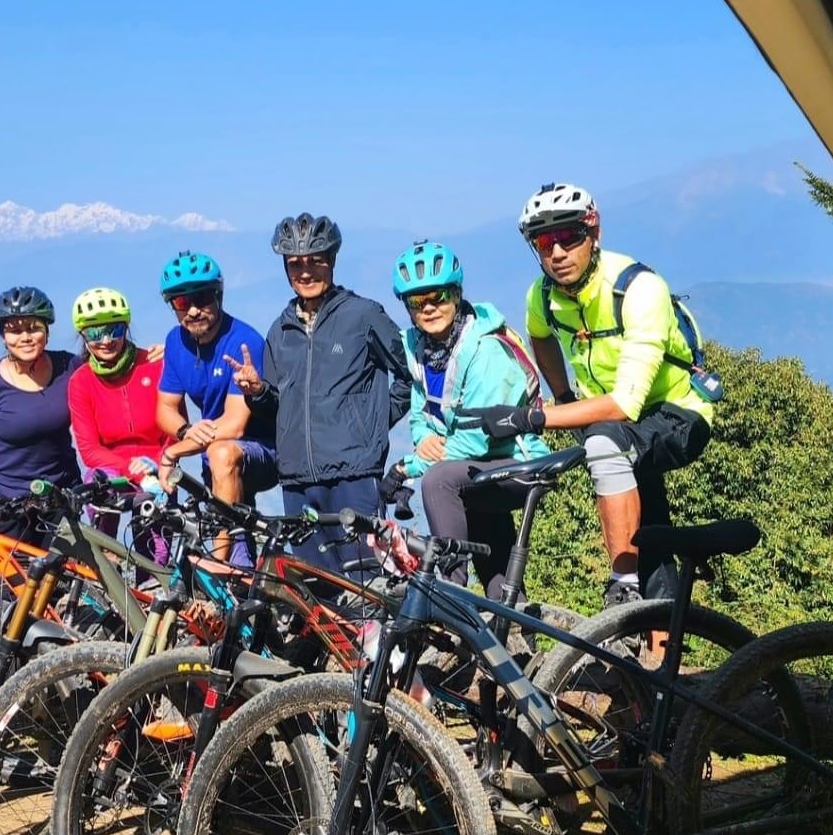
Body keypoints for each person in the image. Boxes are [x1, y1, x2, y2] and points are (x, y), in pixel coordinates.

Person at [456, 182, 715, 609]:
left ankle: (623, 586)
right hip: (619, 423)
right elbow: (541, 338)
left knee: (604, 446)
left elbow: (625, 404)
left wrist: (536, 417)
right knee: (649, 526)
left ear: (594, 235)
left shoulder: (638, 288)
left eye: (569, 237)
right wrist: (561, 393)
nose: (557, 252)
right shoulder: (542, 294)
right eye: (544, 242)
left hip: (679, 412)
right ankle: (657, 645)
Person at [225, 212, 412, 573]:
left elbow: (408, 377)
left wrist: (371, 424)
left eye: (316, 261)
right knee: (315, 591)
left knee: (365, 584)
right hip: (297, 481)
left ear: (332, 262)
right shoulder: (280, 330)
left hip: (354, 475)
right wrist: (257, 391)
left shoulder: (363, 316)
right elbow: (276, 407)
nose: (305, 272)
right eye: (295, 264)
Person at [380, 241, 552, 600]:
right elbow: (420, 415)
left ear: (456, 294)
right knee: (499, 580)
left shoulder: (485, 350)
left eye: (438, 296)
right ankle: (515, 639)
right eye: (416, 301)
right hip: (477, 468)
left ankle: (448, 593)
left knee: (439, 481)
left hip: (518, 462)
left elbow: (476, 437)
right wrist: (424, 439)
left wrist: (407, 467)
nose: (428, 307)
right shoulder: (421, 351)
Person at [154, 251, 278, 563]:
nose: (194, 310)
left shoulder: (243, 341)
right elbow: (165, 409)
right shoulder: (175, 341)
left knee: (222, 452)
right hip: (215, 452)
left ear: (218, 296)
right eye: (182, 303)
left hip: (262, 450)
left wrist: (174, 451)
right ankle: (237, 579)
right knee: (241, 555)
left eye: (203, 298)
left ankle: (215, 565)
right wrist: (186, 429)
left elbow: (235, 425)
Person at [0, 285, 80, 539]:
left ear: (47, 331)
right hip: (5, 505)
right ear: (3, 337)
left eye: (33, 328)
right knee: (6, 580)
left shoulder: (70, 366)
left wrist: (150, 357)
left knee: (63, 578)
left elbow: (110, 374)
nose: (25, 337)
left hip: (61, 498)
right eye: (15, 330)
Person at [67, 286, 169, 546]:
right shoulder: (81, 381)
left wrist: (159, 464)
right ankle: (106, 560)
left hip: (158, 469)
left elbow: (175, 429)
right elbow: (89, 450)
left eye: (115, 330)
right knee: (98, 486)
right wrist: (134, 471)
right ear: (83, 336)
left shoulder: (156, 365)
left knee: (155, 561)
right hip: (114, 471)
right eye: (94, 333)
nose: (106, 340)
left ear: (126, 328)